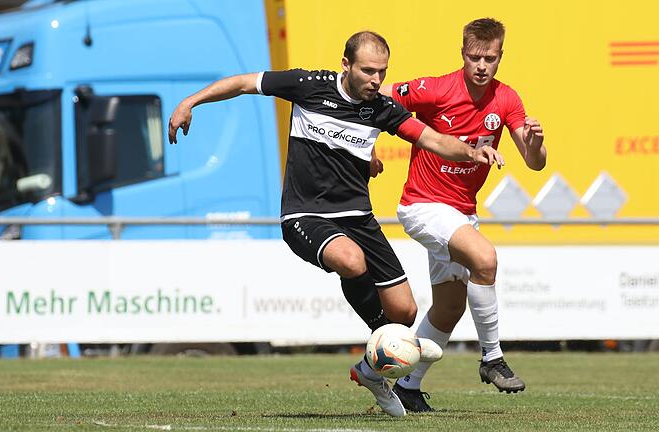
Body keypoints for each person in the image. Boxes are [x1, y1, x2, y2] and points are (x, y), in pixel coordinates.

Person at [169, 31, 504, 417]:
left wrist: (471, 150)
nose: (376, 80)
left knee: (406, 312)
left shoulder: (380, 108)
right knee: (351, 260)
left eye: (382, 72)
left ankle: (370, 369)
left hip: (358, 217)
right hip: (305, 215)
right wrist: (190, 102)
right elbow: (243, 83)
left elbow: (431, 139)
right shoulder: (308, 86)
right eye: (368, 71)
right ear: (346, 65)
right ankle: (384, 344)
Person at [377, 18, 547, 412]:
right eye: (475, 57)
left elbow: (534, 163)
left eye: (490, 58)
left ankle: (405, 385)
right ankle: (492, 357)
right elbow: (377, 97)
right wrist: (366, 148)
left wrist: (537, 144)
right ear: (463, 54)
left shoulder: (507, 99)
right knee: (485, 259)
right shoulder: (436, 88)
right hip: (422, 206)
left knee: (450, 308)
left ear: (500, 56)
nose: (482, 65)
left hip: (460, 213)